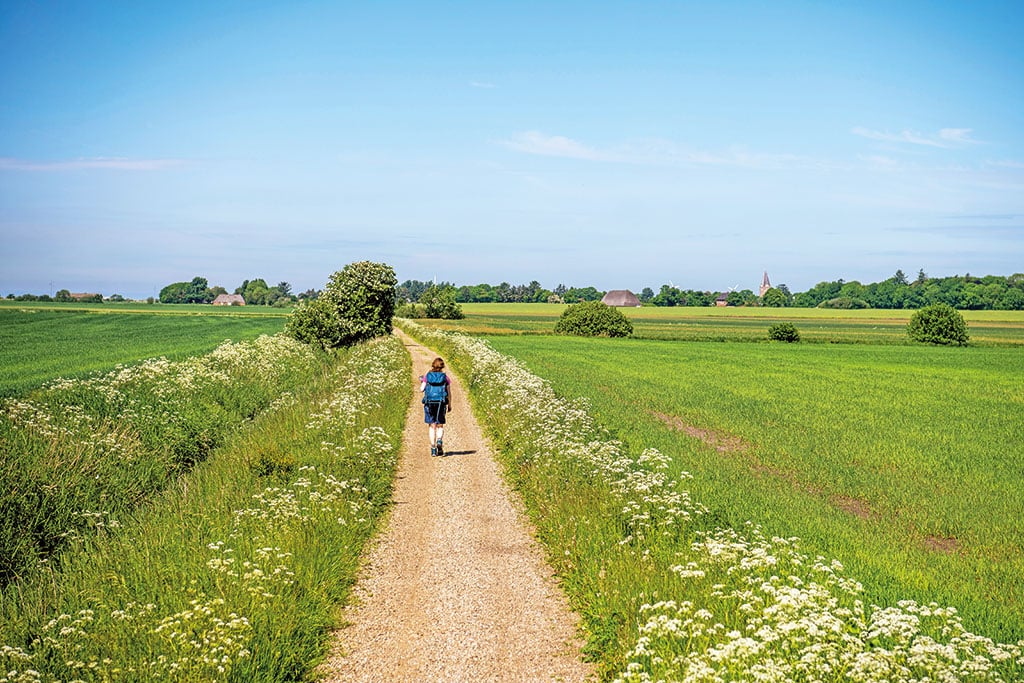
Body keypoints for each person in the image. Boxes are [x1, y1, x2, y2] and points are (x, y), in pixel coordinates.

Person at [420, 357, 452, 456]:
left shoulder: (427, 376)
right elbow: (449, 393)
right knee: (440, 425)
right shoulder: (445, 377)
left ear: (433, 365)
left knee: (432, 425)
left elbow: (421, 389)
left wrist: (422, 382)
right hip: (441, 403)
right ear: (442, 366)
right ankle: (439, 441)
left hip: (429, 403)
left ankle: (433, 448)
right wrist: (449, 404)